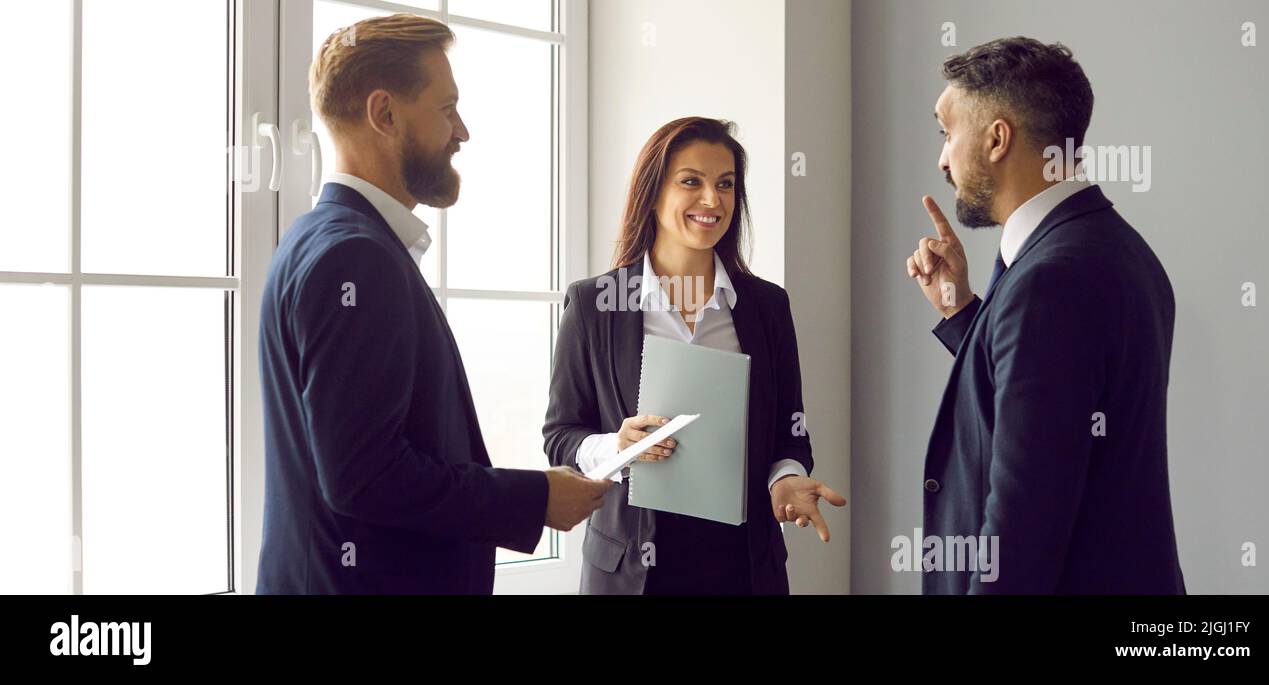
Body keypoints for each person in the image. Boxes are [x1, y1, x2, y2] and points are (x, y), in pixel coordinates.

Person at [257, 14, 610, 595]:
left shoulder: (311, 240)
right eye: (447, 108)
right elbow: (364, 477)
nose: (462, 131)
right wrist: (536, 498)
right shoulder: (355, 258)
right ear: (385, 114)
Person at [906, 36, 1184, 593]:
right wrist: (963, 314)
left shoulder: (1051, 280)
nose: (941, 158)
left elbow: (1022, 528)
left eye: (946, 132)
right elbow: (1044, 403)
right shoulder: (1113, 247)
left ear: (997, 138)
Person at [543, 117, 845, 595]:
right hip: (630, 570)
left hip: (741, 565)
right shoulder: (594, 304)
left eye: (725, 184)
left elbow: (791, 430)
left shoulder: (766, 306)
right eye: (691, 182)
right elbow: (561, 436)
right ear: (654, 193)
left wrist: (785, 479)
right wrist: (616, 447)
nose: (712, 200)